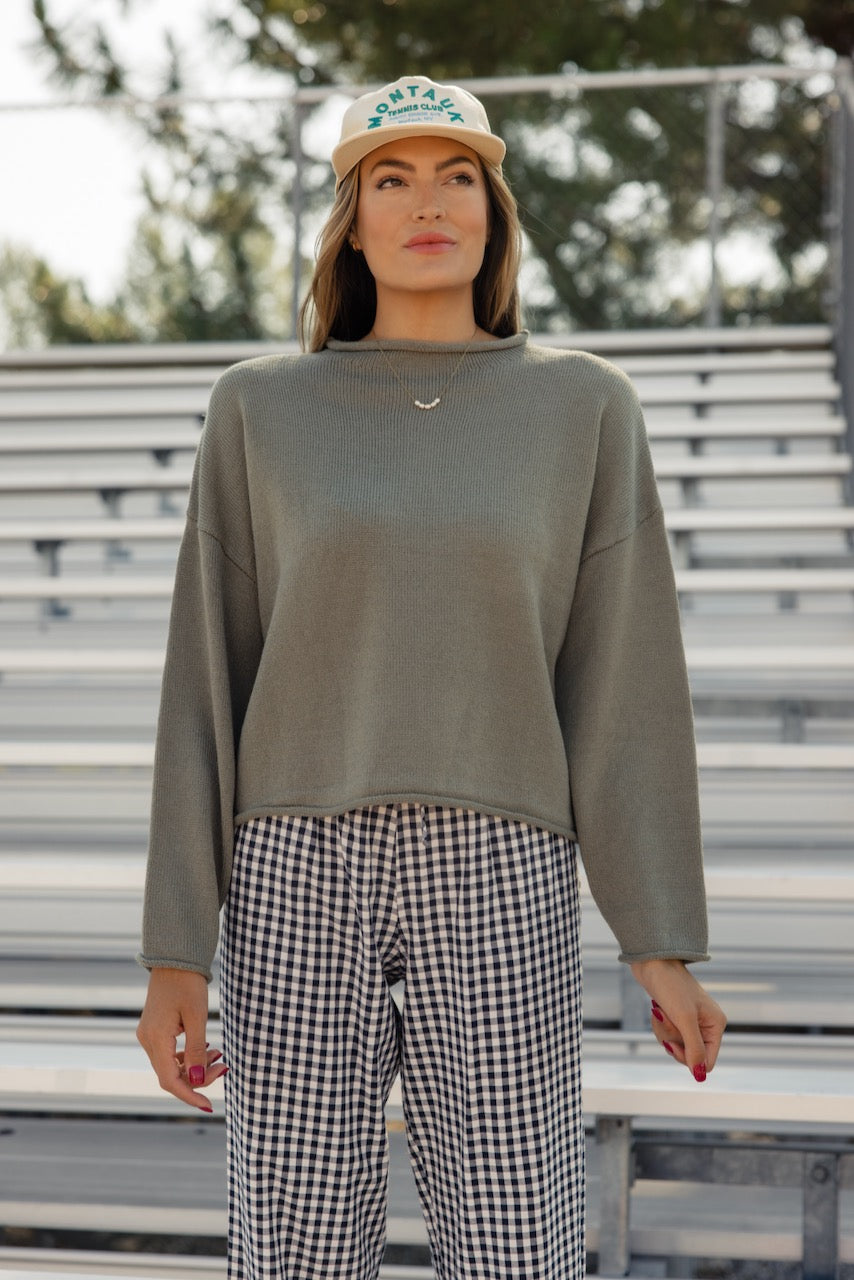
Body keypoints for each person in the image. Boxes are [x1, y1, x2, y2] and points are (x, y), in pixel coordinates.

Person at [137, 74, 726, 1280]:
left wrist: (656, 937)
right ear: (349, 222)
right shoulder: (256, 407)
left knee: (519, 1242)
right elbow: (205, 674)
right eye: (390, 180)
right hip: (292, 862)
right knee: (295, 1247)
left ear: (495, 211)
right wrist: (174, 949)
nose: (428, 204)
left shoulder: (583, 407)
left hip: (501, 858)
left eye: (458, 176)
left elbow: (621, 682)